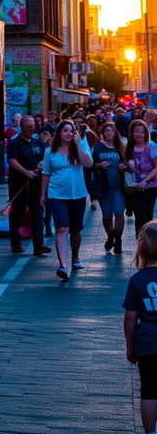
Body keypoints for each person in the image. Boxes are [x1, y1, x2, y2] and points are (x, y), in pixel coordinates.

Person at [40, 118, 93, 281]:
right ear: (59, 133)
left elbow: (89, 164)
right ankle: (62, 265)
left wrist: (77, 145)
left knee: (76, 230)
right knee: (62, 228)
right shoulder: (50, 151)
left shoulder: (81, 146)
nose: (69, 133)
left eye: (72, 131)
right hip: (57, 195)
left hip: (78, 194)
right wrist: (42, 194)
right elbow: (46, 173)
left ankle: (75, 258)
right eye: (66, 130)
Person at [123, 220, 157, 434]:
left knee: (149, 391)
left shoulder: (137, 280)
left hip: (147, 343)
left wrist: (130, 345)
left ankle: (150, 432)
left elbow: (130, 317)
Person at [6, 115, 51, 256]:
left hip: (35, 184)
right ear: (22, 127)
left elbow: (44, 157)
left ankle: (39, 245)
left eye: (33, 126)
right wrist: (26, 172)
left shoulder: (37, 142)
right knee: (17, 212)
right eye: (28, 126)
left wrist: (42, 166)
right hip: (19, 184)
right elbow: (12, 161)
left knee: (37, 212)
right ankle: (15, 242)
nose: (31, 128)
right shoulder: (15, 143)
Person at [92, 120, 127, 254]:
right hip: (103, 187)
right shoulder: (98, 147)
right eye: (107, 131)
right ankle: (110, 236)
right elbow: (91, 164)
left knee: (119, 213)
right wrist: (99, 165)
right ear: (103, 133)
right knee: (107, 216)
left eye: (112, 131)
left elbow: (127, 163)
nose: (109, 133)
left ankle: (118, 240)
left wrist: (124, 166)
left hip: (118, 186)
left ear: (115, 132)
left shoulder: (120, 146)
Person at [125, 119, 157, 236]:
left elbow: (156, 167)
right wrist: (124, 166)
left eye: (142, 131)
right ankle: (139, 246)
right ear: (132, 133)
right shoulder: (128, 147)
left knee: (148, 215)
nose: (139, 134)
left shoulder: (151, 146)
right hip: (134, 188)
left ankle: (149, 245)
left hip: (150, 186)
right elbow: (128, 167)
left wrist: (145, 181)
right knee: (139, 215)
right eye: (136, 131)